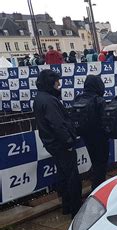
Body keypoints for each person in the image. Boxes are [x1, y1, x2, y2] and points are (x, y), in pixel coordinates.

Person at [33, 69, 82, 217]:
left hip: (52, 144)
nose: (59, 85)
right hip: (61, 145)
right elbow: (58, 124)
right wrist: (68, 142)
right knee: (72, 177)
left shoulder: (40, 98)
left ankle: (67, 206)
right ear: (50, 83)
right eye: (57, 82)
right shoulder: (49, 100)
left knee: (63, 175)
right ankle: (76, 209)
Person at [74, 75, 109, 190]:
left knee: (95, 162)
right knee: (101, 165)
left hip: (86, 137)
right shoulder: (99, 100)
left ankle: (95, 187)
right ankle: (98, 190)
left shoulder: (78, 98)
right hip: (100, 138)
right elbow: (105, 121)